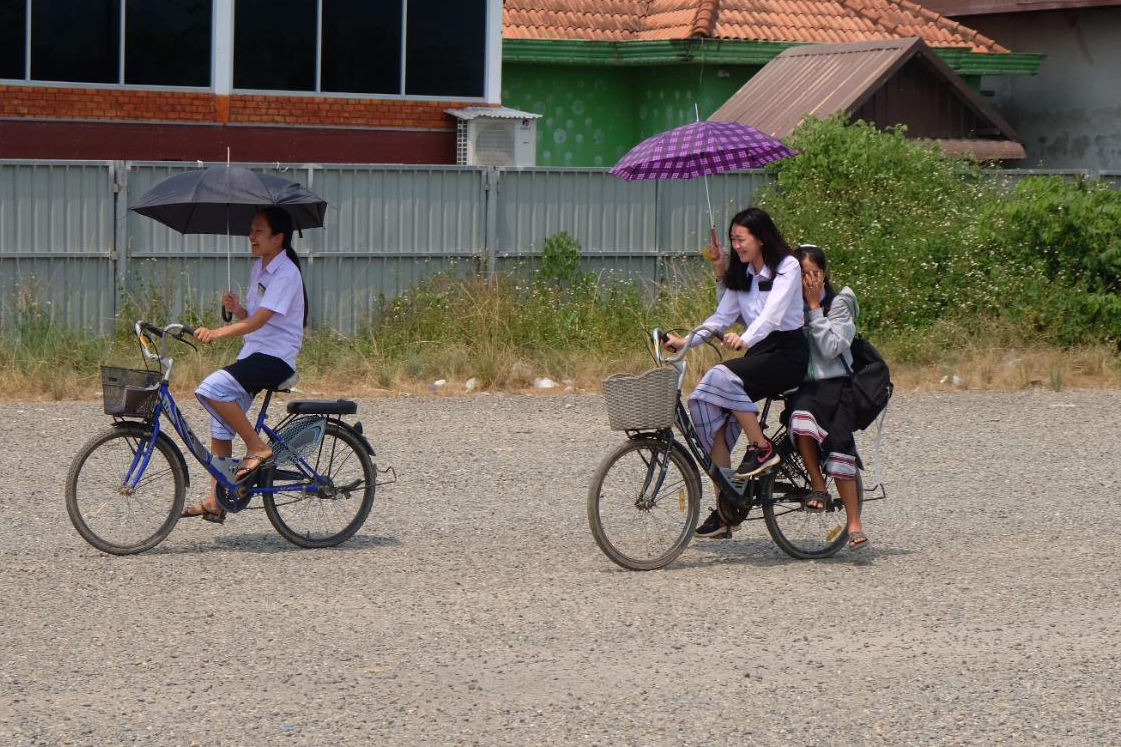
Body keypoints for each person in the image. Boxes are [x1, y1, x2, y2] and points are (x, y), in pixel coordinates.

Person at [665, 207, 809, 539]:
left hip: (787, 354)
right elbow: (720, 318)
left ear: (761, 238)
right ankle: (728, 509)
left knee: (719, 375)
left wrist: (744, 337)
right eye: (732, 239)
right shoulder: (742, 274)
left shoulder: (786, 267)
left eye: (741, 239)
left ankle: (762, 447)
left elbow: (772, 316)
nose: (737, 246)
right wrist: (687, 341)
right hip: (760, 353)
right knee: (707, 406)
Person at [180, 207, 308, 523]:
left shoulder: (287, 273)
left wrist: (218, 333)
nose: (251, 236)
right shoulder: (260, 268)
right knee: (220, 425)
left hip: (275, 358)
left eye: (259, 231)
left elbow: (261, 321)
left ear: (278, 238)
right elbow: (254, 315)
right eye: (251, 230)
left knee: (211, 388)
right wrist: (238, 309)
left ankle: (257, 448)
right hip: (255, 354)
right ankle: (216, 501)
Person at [787, 244, 868, 550]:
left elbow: (832, 348)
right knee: (799, 419)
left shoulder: (839, 303)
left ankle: (855, 522)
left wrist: (814, 308)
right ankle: (818, 486)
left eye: (815, 273)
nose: (809, 280)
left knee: (838, 444)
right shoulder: (790, 304)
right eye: (803, 275)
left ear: (825, 273)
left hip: (837, 386)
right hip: (805, 388)